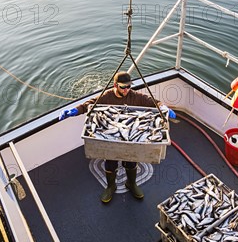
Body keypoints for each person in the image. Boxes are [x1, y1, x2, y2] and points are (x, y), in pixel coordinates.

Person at [59, 71, 176, 204]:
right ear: (115, 85)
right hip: (110, 137)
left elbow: (153, 102)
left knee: (132, 160)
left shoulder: (135, 96)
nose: (126, 90)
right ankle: (111, 186)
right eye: (123, 87)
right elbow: (89, 104)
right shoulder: (107, 96)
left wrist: (163, 107)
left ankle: (131, 184)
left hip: (130, 136)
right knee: (110, 162)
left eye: (128, 87)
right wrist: (74, 111)